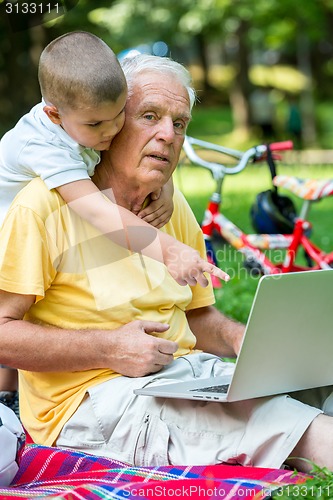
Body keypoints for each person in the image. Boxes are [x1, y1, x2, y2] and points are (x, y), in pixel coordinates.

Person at [0, 53, 332, 473]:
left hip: (184, 374)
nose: (168, 135)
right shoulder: (42, 206)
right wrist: (108, 348)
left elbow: (196, 315)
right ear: (114, 122)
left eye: (179, 123)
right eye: (150, 116)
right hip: (92, 403)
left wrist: (239, 339)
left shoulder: (168, 209)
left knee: (317, 385)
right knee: (297, 429)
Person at [0, 32, 228, 413]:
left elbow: (199, 315)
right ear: (55, 113)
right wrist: (168, 249)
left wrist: (165, 183)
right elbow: (97, 210)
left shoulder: (85, 119)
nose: (109, 133)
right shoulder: (46, 156)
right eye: (149, 116)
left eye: (119, 117)